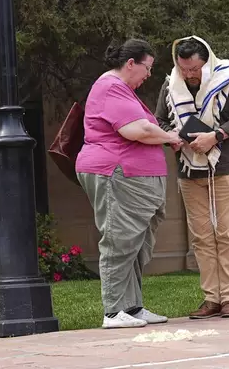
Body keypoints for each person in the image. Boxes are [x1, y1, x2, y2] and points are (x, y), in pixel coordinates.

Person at [155, 36, 229, 319]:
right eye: (184, 68)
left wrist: (215, 136)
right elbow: (159, 119)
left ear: (207, 61)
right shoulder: (171, 84)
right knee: (202, 238)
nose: (189, 75)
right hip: (189, 169)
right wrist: (172, 137)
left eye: (194, 69)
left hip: (228, 167)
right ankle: (211, 299)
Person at [76, 38, 181, 329]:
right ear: (131, 63)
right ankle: (112, 312)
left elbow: (145, 130)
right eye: (147, 68)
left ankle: (132, 308)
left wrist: (165, 136)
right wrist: (172, 137)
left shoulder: (121, 90)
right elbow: (137, 130)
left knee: (134, 243)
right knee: (120, 240)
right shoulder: (111, 87)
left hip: (131, 176)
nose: (148, 74)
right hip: (115, 172)